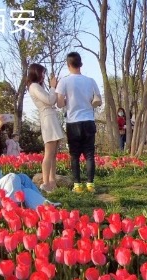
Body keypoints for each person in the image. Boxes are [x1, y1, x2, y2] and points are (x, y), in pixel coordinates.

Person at [55, 52, 102, 193]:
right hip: (88, 121)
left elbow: (59, 104)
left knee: (74, 155)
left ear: (68, 64)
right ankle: (90, 185)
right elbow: (98, 100)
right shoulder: (90, 81)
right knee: (89, 155)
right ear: (80, 64)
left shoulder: (64, 81)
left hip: (73, 122)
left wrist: (67, 100)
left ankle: (77, 186)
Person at [28, 63, 65, 193]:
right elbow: (49, 100)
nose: (43, 75)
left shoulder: (38, 86)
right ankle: (45, 183)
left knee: (53, 154)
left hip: (52, 117)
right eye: (42, 73)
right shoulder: (34, 86)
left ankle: (52, 181)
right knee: (49, 153)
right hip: (47, 119)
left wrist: (53, 89)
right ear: (35, 73)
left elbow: (52, 99)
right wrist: (53, 87)